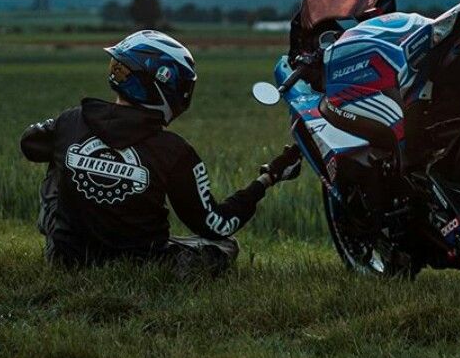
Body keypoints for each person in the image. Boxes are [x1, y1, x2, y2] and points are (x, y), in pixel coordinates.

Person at [20, 29, 301, 276]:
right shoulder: (173, 151)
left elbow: (30, 145)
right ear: (165, 86)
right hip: (142, 265)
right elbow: (217, 225)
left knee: (57, 157)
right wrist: (269, 177)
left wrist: (80, 155)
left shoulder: (71, 120)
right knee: (225, 247)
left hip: (65, 259)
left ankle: (64, 240)